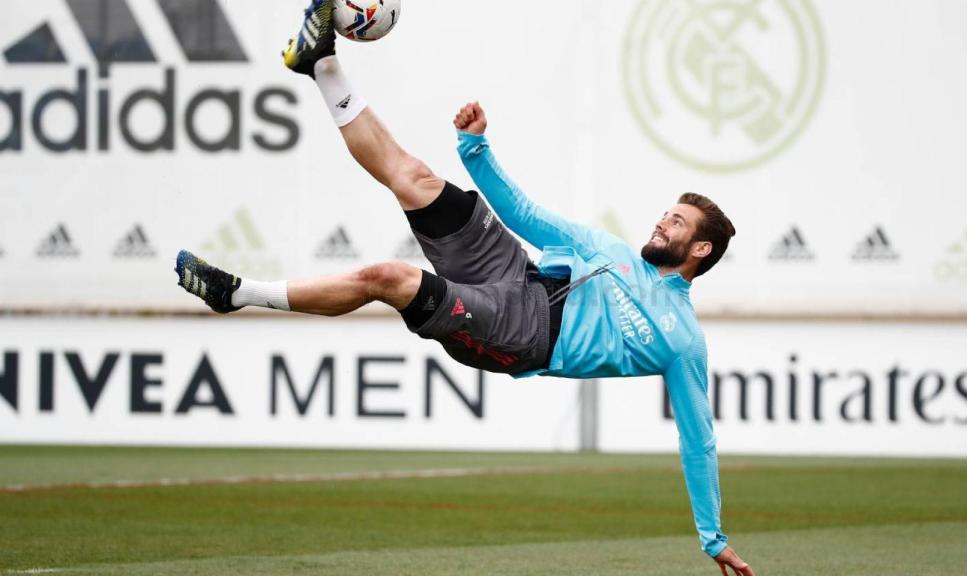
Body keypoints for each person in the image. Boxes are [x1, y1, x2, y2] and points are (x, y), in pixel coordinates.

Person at [174, 2, 752, 574]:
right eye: (666, 214)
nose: (662, 222)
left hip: (523, 334)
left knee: (387, 277)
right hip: (515, 273)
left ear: (700, 251)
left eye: (677, 223)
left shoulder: (683, 340)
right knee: (414, 177)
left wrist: (712, 537)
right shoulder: (614, 250)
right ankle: (321, 62)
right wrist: (476, 150)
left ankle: (240, 293)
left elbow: (698, 442)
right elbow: (527, 216)